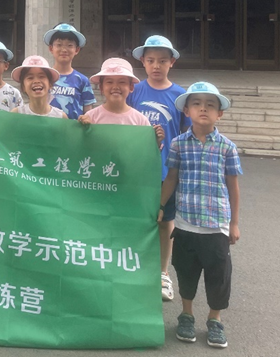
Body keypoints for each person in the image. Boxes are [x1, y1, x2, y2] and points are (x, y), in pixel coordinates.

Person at [159, 82, 242, 349]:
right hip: (185, 223)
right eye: (196, 104)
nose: (203, 108)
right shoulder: (178, 144)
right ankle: (187, 314)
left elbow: (233, 186)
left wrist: (234, 223)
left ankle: (215, 319)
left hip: (216, 226)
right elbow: (171, 178)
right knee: (186, 272)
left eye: (210, 105)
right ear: (186, 111)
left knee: (218, 275)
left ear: (220, 113)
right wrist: (160, 205)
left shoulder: (227, 147)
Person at [128, 35, 188, 302]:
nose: (156, 66)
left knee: (165, 221)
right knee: (135, 220)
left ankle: (163, 273)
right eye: (151, 60)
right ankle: (133, 266)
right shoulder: (134, 91)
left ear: (172, 62)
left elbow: (186, 132)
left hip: (167, 172)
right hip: (136, 170)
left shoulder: (180, 96)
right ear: (142, 61)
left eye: (162, 61)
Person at [79, 58, 164, 141]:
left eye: (122, 82)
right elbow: (84, 144)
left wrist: (155, 141)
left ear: (131, 87)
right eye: (109, 82)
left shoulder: (140, 120)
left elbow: (145, 147)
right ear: (101, 87)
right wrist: (82, 128)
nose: (115, 87)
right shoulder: (91, 117)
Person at [43, 23, 96, 120]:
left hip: (73, 129)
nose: (64, 49)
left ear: (77, 50)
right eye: (59, 45)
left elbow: (88, 114)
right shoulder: (44, 77)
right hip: (48, 127)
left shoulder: (82, 80)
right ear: (51, 48)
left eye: (69, 45)